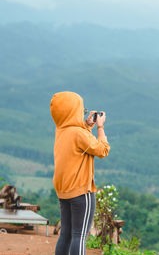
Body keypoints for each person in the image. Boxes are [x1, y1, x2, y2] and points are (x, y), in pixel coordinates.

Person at [50, 91, 110, 255]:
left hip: (64, 191)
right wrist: (100, 126)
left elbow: (80, 144)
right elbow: (102, 150)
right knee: (79, 236)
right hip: (81, 191)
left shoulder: (61, 131)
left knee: (66, 234)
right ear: (72, 113)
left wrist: (86, 126)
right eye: (81, 111)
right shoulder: (79, 133)